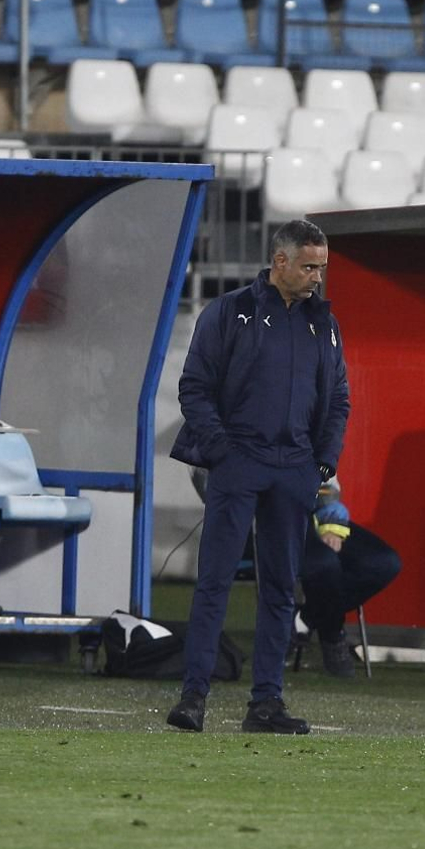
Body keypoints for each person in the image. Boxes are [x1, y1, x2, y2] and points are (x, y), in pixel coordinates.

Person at [166, 219, 350, 734]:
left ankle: (265, 704)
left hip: (294, 468)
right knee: (214, 582)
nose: (318, 277)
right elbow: (194, 387)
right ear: (281, 261)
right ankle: (193, 697)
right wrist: (223, 452)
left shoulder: (325, 324)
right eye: (310, 266)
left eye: (323, 267)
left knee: (280, 589)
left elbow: (338, 398)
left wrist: (322, 462)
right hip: (239, 461)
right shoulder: (228, 312)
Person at [298, 478, 401, 678]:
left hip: (319, 516)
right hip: (277, 518)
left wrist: (331, 525)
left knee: (385, 563)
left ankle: (305, 619)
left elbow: (328, 487)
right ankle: (331, 635)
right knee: (326, 563)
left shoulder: (321, 446)